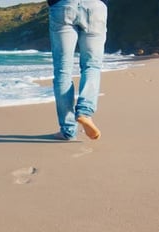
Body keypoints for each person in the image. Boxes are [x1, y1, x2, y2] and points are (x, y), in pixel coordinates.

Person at [48, 0, 108, 140]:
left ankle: (67, 130)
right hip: (95, 6)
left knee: (63, 70)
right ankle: (85, 112)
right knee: (92, 65)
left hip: (63, 6)